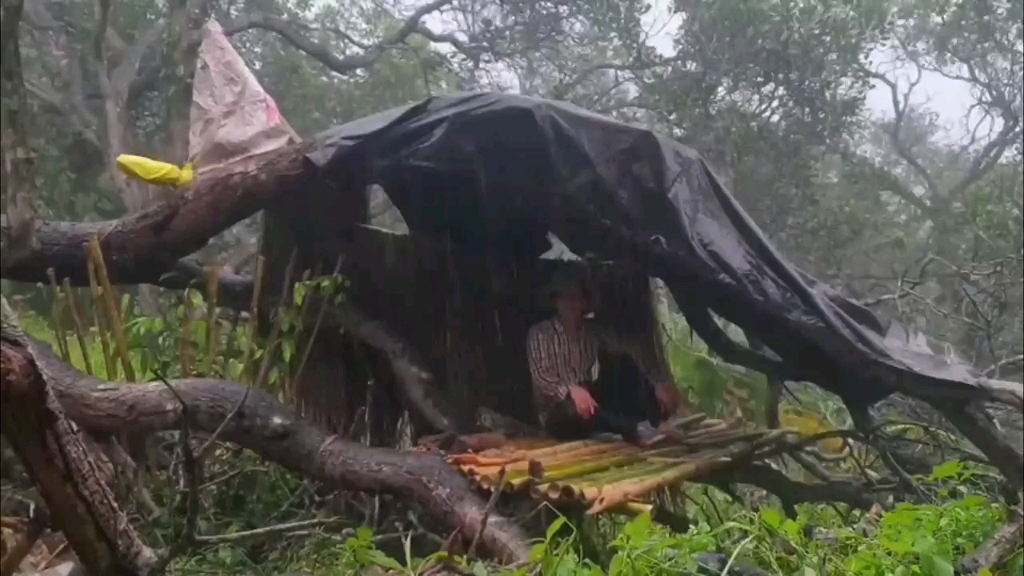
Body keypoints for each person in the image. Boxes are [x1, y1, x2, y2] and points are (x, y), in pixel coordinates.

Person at [526, 267, 685, 444]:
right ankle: (635, 430)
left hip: (589, 399)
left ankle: (651, 423)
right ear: (556, 301)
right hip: (558, 409)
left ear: (584, 304)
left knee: (622, 363)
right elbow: (541, 377)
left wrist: (657, 383)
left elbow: (629, 349)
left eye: (577, 298)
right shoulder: (540, 333)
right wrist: (571, 389)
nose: (572, 304)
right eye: (567, 298)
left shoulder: (591, 331)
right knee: (573, 410)